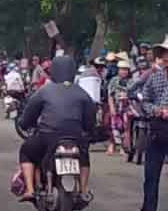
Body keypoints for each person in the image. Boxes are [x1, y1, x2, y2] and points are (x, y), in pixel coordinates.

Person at [10, 53, 100, 200]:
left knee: (26, 151)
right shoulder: (82, 93)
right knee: (83, 156)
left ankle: (30, 190)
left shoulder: (44, 91)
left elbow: (28, 116)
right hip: (76, 138)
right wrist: (90, 133)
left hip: (47, 136)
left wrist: (24, 124)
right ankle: (83, 190)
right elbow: (90, 120)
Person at [131, 37, 168, 211]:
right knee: (150, 173)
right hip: (155, 125)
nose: (167, 57)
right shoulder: (155, 75)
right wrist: (154, 110)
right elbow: (144, 99)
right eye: (165, 53)